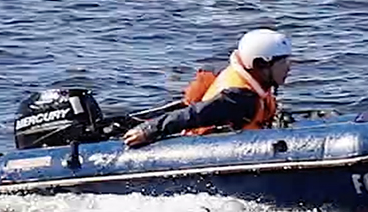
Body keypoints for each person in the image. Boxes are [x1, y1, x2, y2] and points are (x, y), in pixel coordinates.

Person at [121, 29, 292, 148]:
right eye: (283, 63)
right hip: (199, 147)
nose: (288, 68)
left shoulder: (250, 79)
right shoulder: (239, 99)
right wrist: (150, 129)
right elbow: (195, 114)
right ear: (260, 64)